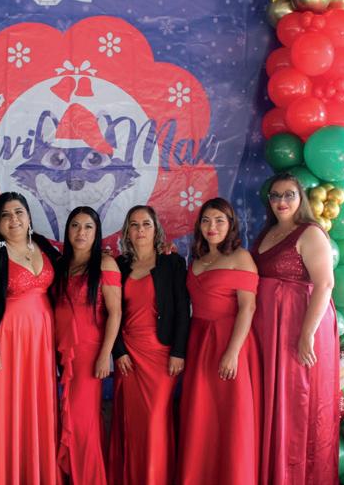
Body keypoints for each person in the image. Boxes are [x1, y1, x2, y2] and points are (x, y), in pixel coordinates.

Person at [251, 173, 339, 484]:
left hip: (299, 326)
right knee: (276, 402)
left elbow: (325, 284)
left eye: (289, 194)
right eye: (275, 195)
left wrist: (306, 334)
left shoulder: (310, 232)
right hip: (271, 330)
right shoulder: (267, 232)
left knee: (298, 403)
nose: (282, 201)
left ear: (300, 198)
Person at [0, 192, 61, 485]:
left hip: (42, 338)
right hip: (8, 338)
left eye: (19, 212)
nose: (14, 220)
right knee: (8, 405)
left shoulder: (43, 244)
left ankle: (36, 472)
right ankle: (4, 474)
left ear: (29, 216)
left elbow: (75, 268)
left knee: (38, 404)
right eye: (6, 215)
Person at [177, 197, 261, 485]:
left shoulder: (241, 257)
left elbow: (248, 308)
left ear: (231, 225)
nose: (211, 226)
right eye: (206, 220)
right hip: (199, 341)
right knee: (201, 415)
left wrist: (232, 352)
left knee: (230, 416)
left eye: (219, 220)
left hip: (229, 340)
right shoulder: (197, 259)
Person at [109, 205, 190, 485]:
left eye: (146, 224)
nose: (140, 229)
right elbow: (109, 314)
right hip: (129, 356)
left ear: (156, 229)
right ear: (126, 232)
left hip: (162, 355)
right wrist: (118, 351)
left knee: (155, 420)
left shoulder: (172, 263)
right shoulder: (118, 266)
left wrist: (178, 351)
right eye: (134, 224)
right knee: (134, 424)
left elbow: (182, 311)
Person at [52, 206, 122, 485]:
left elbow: (115, 313)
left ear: (96, 233)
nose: (81, 232)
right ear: (67, 230)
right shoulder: (60, 265)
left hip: (88, 353)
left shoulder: (105, 264)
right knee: (66, 416)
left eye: (88, 227)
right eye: (75, 226)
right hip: (61, 350)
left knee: (83, 421)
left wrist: (105, 356)